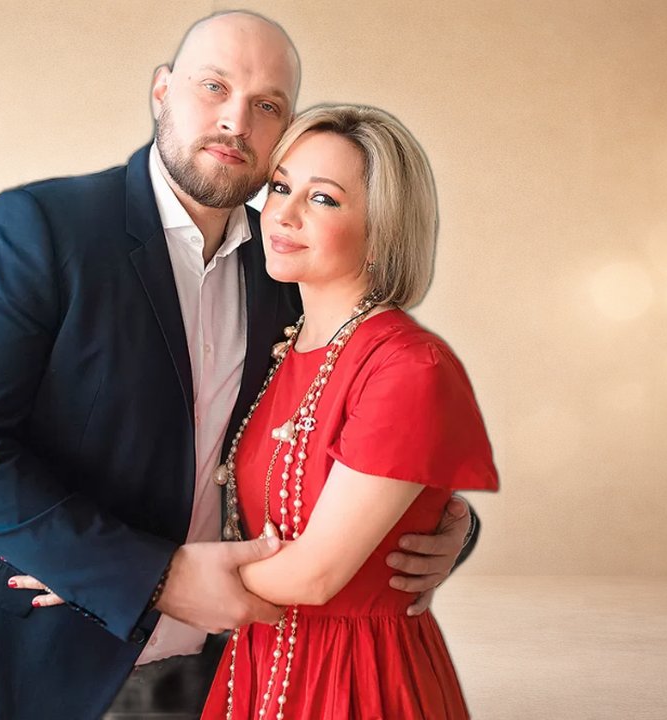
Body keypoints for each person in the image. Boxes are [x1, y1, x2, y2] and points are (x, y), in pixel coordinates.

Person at [0, 12, 482, 720]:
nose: (235, 121)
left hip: (216, 672)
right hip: (23, 667)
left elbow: (348, 431)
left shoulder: (287, 266)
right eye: (213, 86)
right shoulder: (41, 227)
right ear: (162, 90)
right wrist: (151, 576)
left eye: (267, 106)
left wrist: (443, 524)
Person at [195, 104, 499, 719]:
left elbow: (314, 575)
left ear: (382, 228)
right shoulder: (282, 346)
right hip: (256, 663)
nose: (283, 213)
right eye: (280, 187)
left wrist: (140, 580)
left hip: (357, 679)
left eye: (323, 198)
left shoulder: (409, 367)